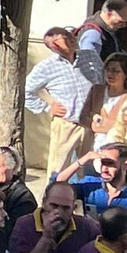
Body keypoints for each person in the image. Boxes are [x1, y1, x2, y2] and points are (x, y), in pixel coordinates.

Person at [24, 27, 94, 179]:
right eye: (66, 38)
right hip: (66, 125)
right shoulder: (46, 67)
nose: (72, 38)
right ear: (54, 46)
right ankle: (52, 194)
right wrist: (47, 107)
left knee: (90, 170)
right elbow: (25, 91)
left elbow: (102, 81)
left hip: (91, 124)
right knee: (58, 170)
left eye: (71, 35)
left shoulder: (89, 56)